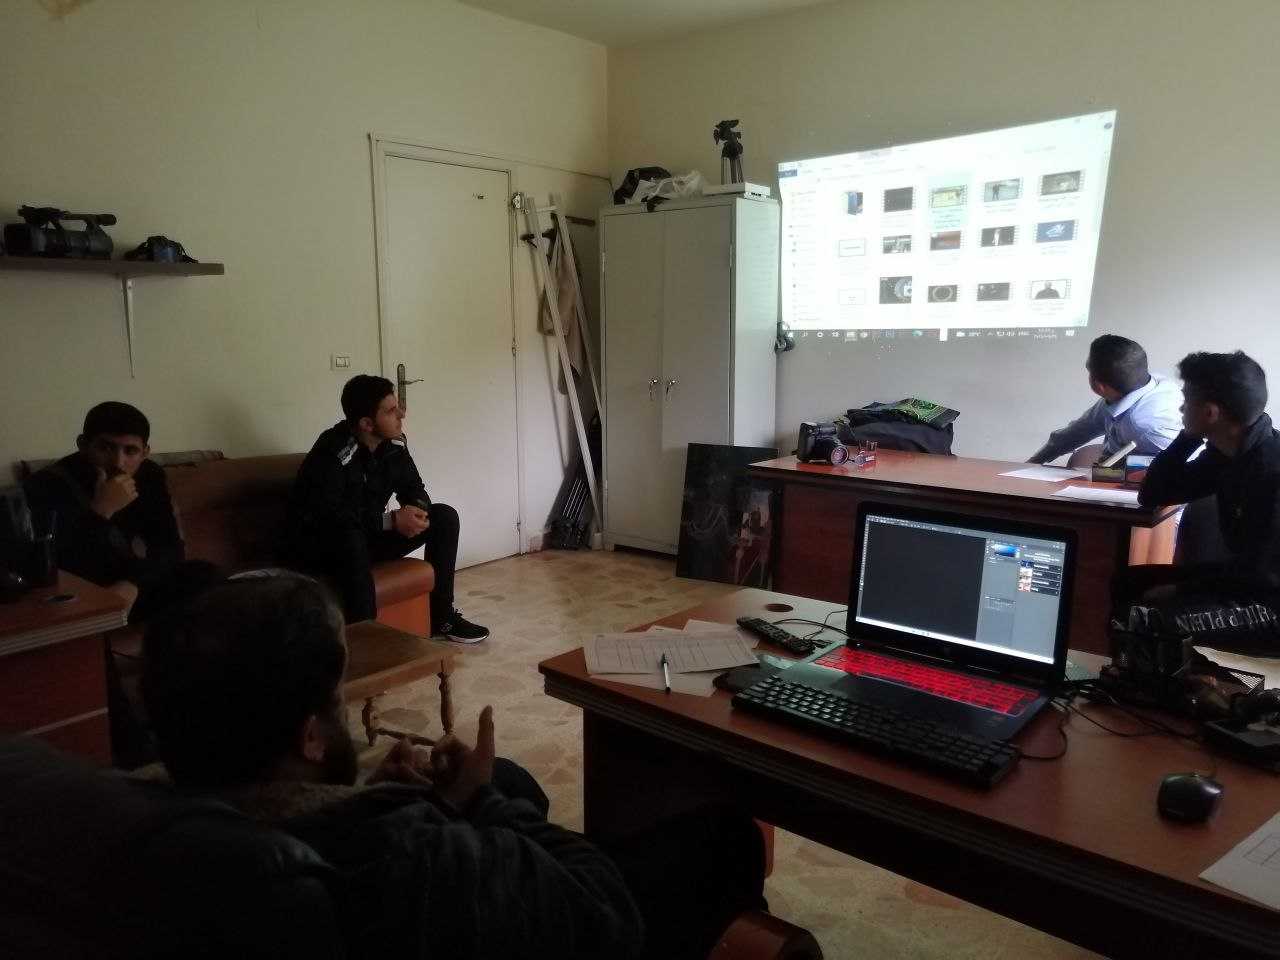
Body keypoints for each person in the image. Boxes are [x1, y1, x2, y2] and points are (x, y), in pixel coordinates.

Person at [141, 575, 769, 960]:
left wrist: (402, 795)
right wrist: (476, 802)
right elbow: (606, 912)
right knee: (726, 837)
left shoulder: (169, 826)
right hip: (593, 919)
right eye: (338, 700)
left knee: (514, 777)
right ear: (310, 737)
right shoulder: (410, 857)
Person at [287, 375, 487, 643]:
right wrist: (391, 521)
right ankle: (367, 640)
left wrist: (415, 510)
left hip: (367, 535)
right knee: (350, 537)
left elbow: (414, 487)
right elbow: (330, 518)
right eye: (391, 411)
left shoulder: (393, 445)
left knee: (443, 517)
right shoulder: (332, 452)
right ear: (367, 424)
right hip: (326, 548)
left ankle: (442, 618)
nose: (401, 414)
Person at [1114, 351, 1280, 652]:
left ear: (1210, 413)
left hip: (1269, 603)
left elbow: (1259, 577)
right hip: (1245, 582)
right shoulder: (1227, 454)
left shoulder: (1270, 471)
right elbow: (1153, 494)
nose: (1181, 407)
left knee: (1149, 620)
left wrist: (1181, 588)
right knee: (1125, 583)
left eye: (1187, 400)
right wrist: (1189, 436)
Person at [23, 401, 217, 619]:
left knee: (203, 574)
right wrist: (100, 511)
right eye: (106, 448)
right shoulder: (47, 484)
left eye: (130, 451)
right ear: (83, 444)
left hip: (132, 583)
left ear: (145, 452)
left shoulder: (149, 476)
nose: (118, 462)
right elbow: (56, 564)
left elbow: (169, 547)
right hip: (77, 590)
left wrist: (134, 583)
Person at [1028, 334, 1182, 465]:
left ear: (1098, 386)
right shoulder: (1135, 388)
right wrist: (1031, 464)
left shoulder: (1146, 426)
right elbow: (1076, 433)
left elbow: (1176, 467)